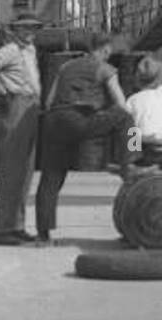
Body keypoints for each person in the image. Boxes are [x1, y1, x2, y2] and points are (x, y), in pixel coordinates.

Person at [34, 32, 134, 246]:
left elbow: (49, 101)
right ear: (106, 49)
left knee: (51, 179)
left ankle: (43, 236)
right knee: (126, 117)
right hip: (79, 120)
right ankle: (131, 161)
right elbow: (121, 105)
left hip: (54, 122)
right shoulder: (106, 69)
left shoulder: (64, 67)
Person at [0, 11, 45, 246]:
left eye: (33, 28)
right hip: (16, 105)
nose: (29, 32)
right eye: (24, 28)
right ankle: (2, 228)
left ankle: (16, 225)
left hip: (29, 107)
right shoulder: (10, 50)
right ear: (14, 30)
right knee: (11, 171)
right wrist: (2, 89)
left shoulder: (30, 50)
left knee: (24, 173)